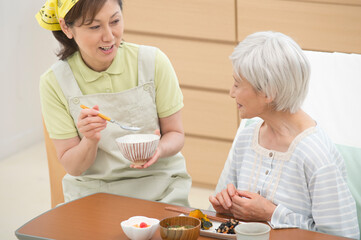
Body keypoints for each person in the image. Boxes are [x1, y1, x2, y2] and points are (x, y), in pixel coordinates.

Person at [35, 0, 191, 206]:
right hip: (94, 194)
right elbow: (73, 167)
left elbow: (176, 134)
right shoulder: (54, 82)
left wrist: (159, 149)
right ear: (66, 27)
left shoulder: (152, 62)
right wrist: (89, 140)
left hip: (161, 187)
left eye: (115, 21)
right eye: (94, 26)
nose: (109, 36)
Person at [209, 31, 360, 239]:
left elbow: (342, 236)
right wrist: (225, 206)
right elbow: (228, 216)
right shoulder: (247, 137)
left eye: (237, 84)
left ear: (268, 93)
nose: (231, 93)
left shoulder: (316, 156)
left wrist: (271, 214)